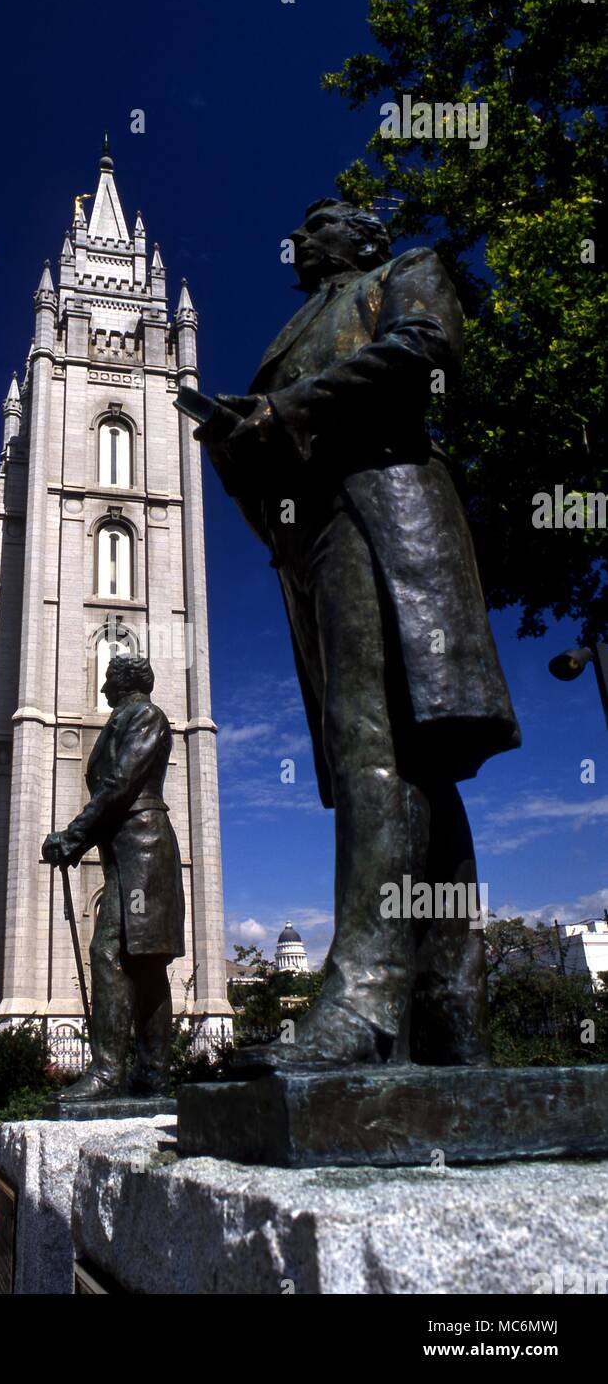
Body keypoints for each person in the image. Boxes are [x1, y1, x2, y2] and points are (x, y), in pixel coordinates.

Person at [195, 198, 520, 1068]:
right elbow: (272, 445)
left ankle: (364, 1002)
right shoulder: (294, 330)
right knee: (402, 759)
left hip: (382, 505)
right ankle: (450, 1020)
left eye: (319, 223)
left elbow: (425, 349)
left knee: (372, 736)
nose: (299, 238)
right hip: (309, 539)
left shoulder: (404, 270)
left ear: (364, 236)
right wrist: (237, 441)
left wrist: (286, 409)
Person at [42, 654, 185, 1098]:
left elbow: (120, 783)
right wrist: (80, 840)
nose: (103, 689)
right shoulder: (125, 718)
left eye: (109, 681)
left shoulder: (145, 715)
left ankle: (110, 1071)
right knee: (140, 959)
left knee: (113, 952)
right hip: (126, 848)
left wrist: (73, 837)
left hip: (142, 848)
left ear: (125, 683)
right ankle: (150, 1073)